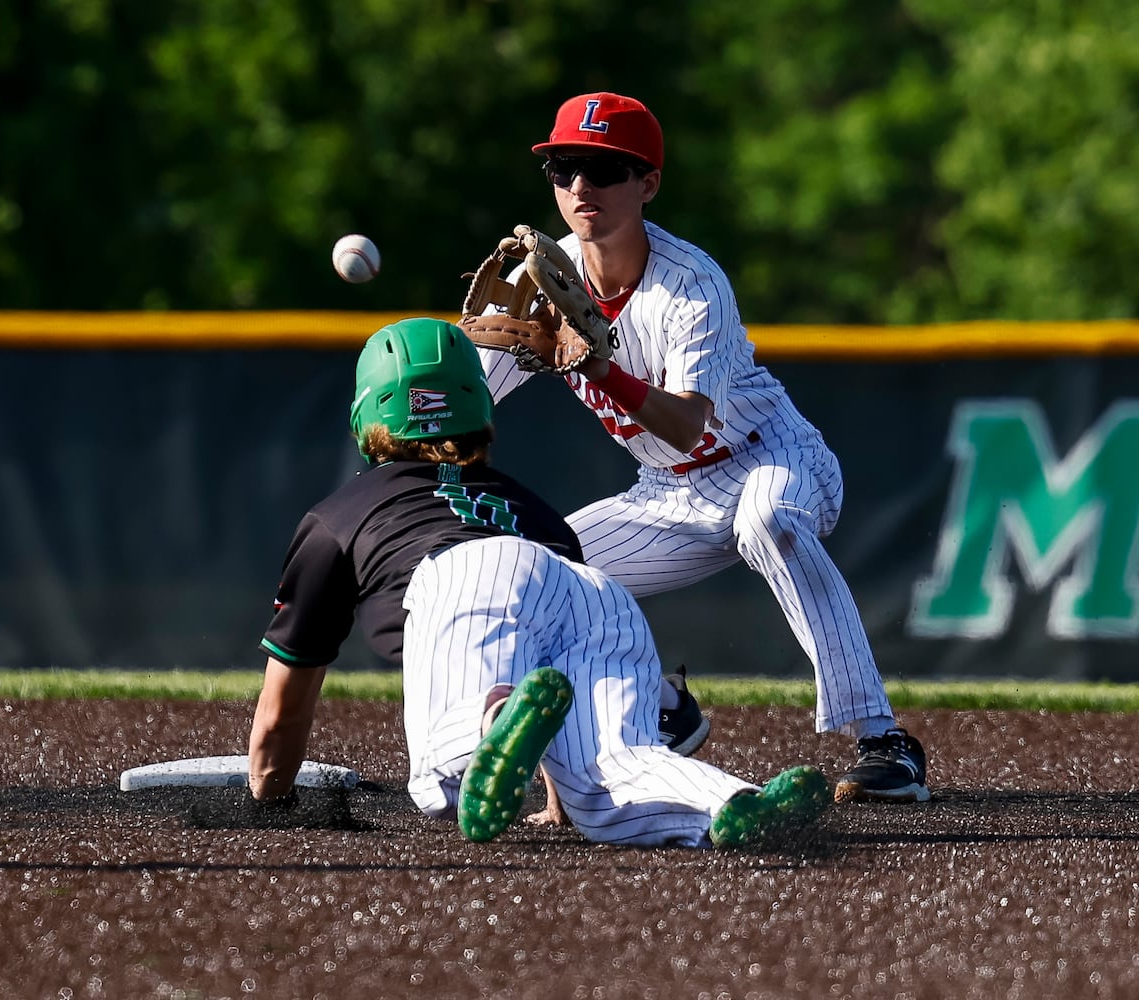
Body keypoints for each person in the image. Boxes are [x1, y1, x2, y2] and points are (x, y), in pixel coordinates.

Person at [474, 91, 929, 804]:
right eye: (563, 168)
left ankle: (884, 741)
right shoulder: (543, 281)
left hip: (769, 458)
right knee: (536, 574)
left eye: (603, 168)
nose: (580, 186)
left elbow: (686, 424)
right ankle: (663, 710)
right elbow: (469, 399)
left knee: (768, 524)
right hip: (666, 496)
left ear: (647, 182)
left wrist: (598, 368)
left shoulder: (691, 283)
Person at [245, 316, 831, 849]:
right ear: (479, 407)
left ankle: (492, 717)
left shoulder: (340, 515)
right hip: (592, 591)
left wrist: (272, 799)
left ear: (368, 413)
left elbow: (285, 703)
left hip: (463, 576)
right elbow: (553, 629)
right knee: (612, 774)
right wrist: (559, 805)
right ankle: (727, 801)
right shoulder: (530, 504)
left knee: (439, 778)